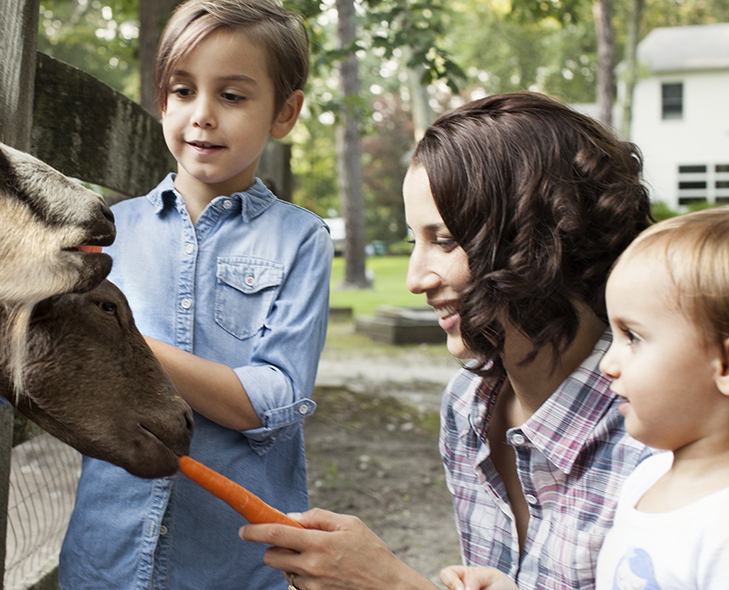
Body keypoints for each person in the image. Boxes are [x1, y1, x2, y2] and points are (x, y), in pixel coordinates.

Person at [239, 91, 654, 590]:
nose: (417, 278)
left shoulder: (655, 433)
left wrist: (394, 584)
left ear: (539, 238)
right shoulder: (468, 407)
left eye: (445, 241)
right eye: (416, 240)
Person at [57, 0, 333, 588]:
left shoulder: (301, 238)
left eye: (232, 96)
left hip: (231, 564)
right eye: (183, 91)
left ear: (284, 114)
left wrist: (118, 337)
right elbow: (22, 369)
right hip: (106, 557)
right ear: (163, 102)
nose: (202, 115)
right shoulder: (106, 232)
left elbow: (272, 400)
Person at [439, 206, 729, 590]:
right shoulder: (646, 481)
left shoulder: (718, 526)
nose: (608, 363)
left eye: (633, 337)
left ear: (724, 365)